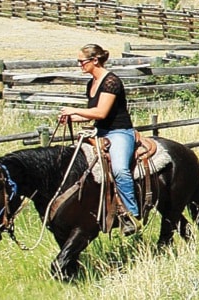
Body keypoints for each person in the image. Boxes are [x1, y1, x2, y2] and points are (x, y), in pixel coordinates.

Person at [59, 44, 141, 236]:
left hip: (119, 132)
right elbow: (91, 116)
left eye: (82, 61)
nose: (80, 65)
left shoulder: (111, 82)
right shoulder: (92, 83)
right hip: (100, 131)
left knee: (120, 169)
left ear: (95, 60)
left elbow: (101, 112)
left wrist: (74, 110)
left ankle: (131, 213)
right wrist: (70, 118)